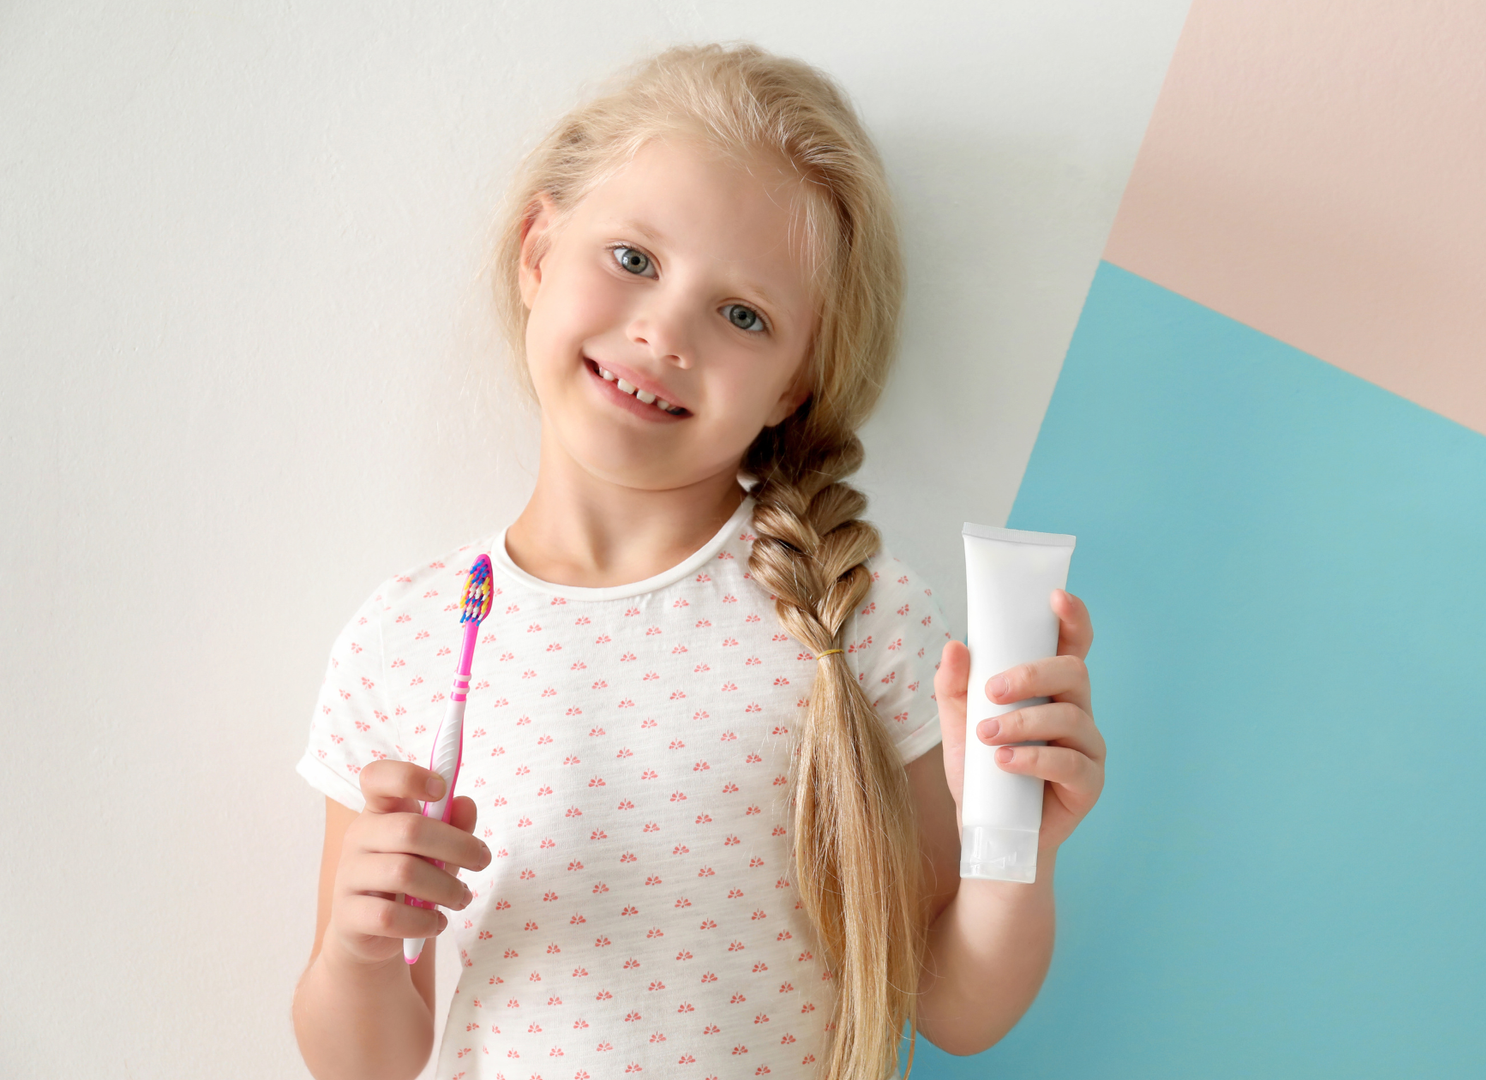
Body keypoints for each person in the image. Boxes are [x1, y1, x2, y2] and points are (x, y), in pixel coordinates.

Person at [289, 43, 1106, 1080]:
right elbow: (365, 1063)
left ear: (794, 388)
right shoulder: (403, 641)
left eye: (743, 316)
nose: (665, 332)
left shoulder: (857, 622)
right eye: (632, 259)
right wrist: (359, 949)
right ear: (539, 248)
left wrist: (1018, 855)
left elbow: (952, 1004)